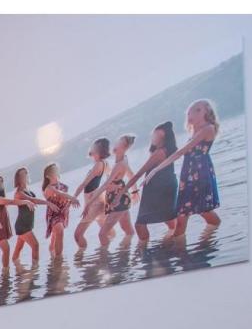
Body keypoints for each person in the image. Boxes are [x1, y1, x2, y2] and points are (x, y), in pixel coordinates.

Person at [146, 99, 221, 238]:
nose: (192, 114)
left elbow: (181, 152)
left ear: (207, 112)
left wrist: (156, 169)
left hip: (200, 175)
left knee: (200, 211)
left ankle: (211, 237)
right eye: (190, 111)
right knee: (187, 212)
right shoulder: (195, 132)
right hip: (188, 175)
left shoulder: (208, 129)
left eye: (198, 110)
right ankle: (207, 237)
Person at [125, 121, 178, 242]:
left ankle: (144, 249)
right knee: (169, 220)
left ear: (163, 138)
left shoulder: (159, 152)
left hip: (158, 189)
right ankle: (173, 243)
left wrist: (123, 191)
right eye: (153, 135)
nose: (153, 138)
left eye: (156, 136)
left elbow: (138, 174)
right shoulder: (165, 150)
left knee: (140, 224)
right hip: (165, 186)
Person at [0, 175, 36, 275]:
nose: (1, 184)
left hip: (0, 228)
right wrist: (26, 201)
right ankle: (5, 272)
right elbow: (11, 202)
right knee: (5, 249)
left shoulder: (0, 198)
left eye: (1, 182)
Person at [95, 134, 137, 244]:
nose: (114, 145)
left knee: (102, 234)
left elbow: (106, 184)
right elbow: (131, 175)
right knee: (128, 231)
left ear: (124, 147)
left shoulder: (120, 163)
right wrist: (135, 191)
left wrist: (91, 200)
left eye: (118, 143)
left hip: (118, 201)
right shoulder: (122, 159)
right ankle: (134, 250)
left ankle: (107, 256)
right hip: (121, 199)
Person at [72, 137, 111, 249]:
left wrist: (74, 197)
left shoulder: (99, 164)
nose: (91, 148)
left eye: (93, 146)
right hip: (97, 200)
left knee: (78, 235)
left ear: (98, 150)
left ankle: (83, 255)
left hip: (94, 202)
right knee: (106, 231)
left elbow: (84, 184)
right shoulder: (104, 163)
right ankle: (108, 251)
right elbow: (109, 180)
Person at [42, 163, 78, 258]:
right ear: (48, 176)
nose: (56, 171)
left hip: (63, 212)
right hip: (54, 214)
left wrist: (70, 201)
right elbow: (59, 193)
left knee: (55, 236)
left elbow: (63, 198)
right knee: (59, 230)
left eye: (56, 169)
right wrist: (72, 198)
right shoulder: (48, 188)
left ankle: (52, 254)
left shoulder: (63, 185)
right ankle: (59, 258)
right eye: (54, 170)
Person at [11, 167, 46, 263]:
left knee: (18, 249)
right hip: (22, 225)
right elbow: (33, 200)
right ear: (18, 178)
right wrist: (48, 203)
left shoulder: (28, 190)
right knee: (35, 245)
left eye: (26, 173)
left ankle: (16, 268)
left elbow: (33, 200)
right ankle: (35, 268)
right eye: (22, 174)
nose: (25, 175)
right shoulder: (18, 193)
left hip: (27, 224)